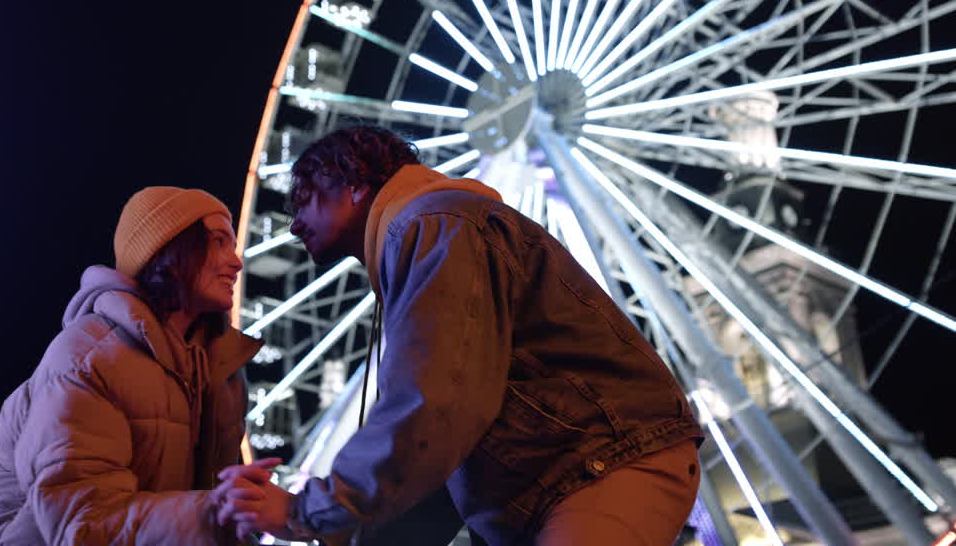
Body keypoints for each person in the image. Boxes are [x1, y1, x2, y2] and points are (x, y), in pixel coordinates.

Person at [214, 126, 704, 546]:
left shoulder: (433, 226)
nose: (296, 222)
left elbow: (435, 404)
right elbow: (447, 452)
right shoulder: (431, 232)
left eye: (307, 198)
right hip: (567, 478)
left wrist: (306, 513)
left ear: (355, 184)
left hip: (600, 466)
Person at [0, 187, 276, 545]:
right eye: (218, 242)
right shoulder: (88, 358)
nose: (236, 262)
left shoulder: (223, 374)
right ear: (169, 251)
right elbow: (81, 520)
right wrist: (214, 512)